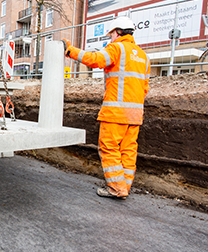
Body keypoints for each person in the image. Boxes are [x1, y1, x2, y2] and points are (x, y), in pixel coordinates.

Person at [63, 16, 150, 199]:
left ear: (118, 32)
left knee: (109, 148)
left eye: (111, 34)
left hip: (115, 112)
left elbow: (95, 60)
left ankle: (117, 189)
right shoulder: (143, 56)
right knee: (128, 151)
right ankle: (124, 187)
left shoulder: (117, 48)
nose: (110, 38)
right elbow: (145, 88)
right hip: (135, 114)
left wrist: (70, 50)